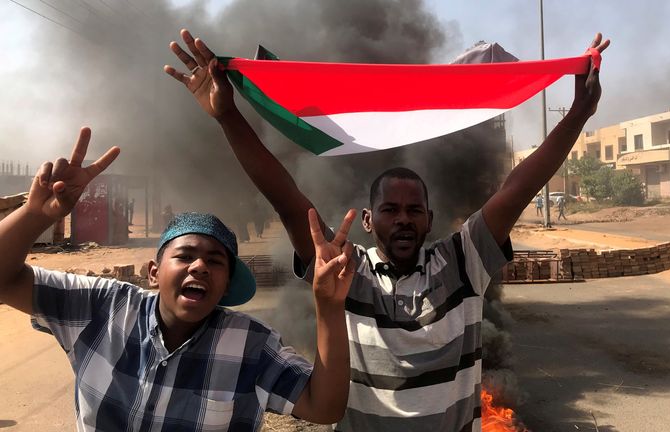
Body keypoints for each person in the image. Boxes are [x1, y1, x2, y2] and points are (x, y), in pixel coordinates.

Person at [165, 29, 609, 431]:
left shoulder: (463, 261)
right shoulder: (345, 272)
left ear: (429, 220)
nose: (403, 219)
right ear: (368, 220)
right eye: (390, 209)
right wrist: (228, 117)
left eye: (415, 210)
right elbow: (285, 197)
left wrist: (576, 116)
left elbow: (518, 187)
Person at [0, 127, 354, 430]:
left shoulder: (251, 346)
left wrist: (330, 305)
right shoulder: (101, 306)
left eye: (215, 261)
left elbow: (323, 407)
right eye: (184, 256)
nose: (199, 267)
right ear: (153, 273)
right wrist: (33, 215)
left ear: (227, 284)